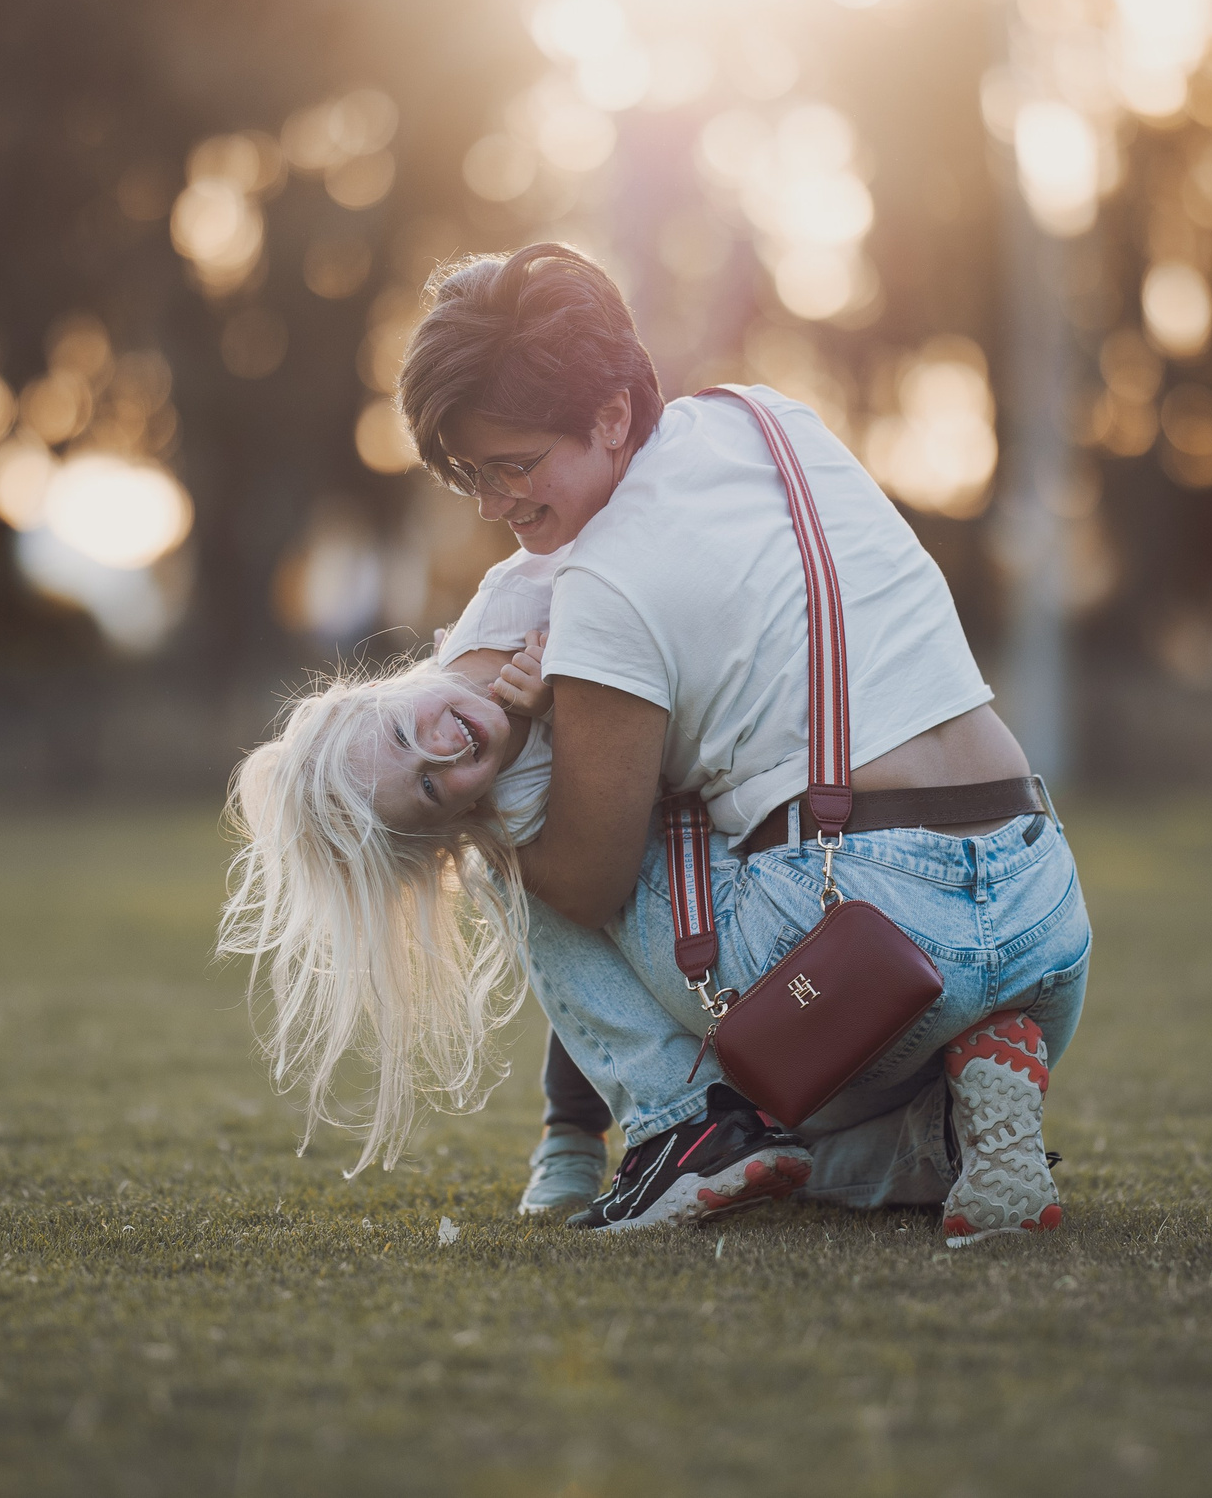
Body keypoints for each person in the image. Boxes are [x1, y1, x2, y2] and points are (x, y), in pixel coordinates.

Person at [390, 242, 1091, 1244]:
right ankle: (945, 1125)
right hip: (1039, 905)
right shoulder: (771, 419)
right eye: (472, 474)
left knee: (501, 810)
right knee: (799, 1085)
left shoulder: (606, 581)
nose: (494, 503)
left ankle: (682, 1130)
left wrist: (510, 755)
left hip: (866, 931)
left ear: (612, 418)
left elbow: (587, 881)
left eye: (515, 466)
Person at [219, 542, 617, 1205]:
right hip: (641, 848)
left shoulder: (499, 618)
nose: (445, 750)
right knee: (565, 922)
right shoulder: (507, 809)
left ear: (397, 688)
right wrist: (558, 706)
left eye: (404, 734)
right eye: (431, 789)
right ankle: (576, 1128)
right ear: (456, 821)